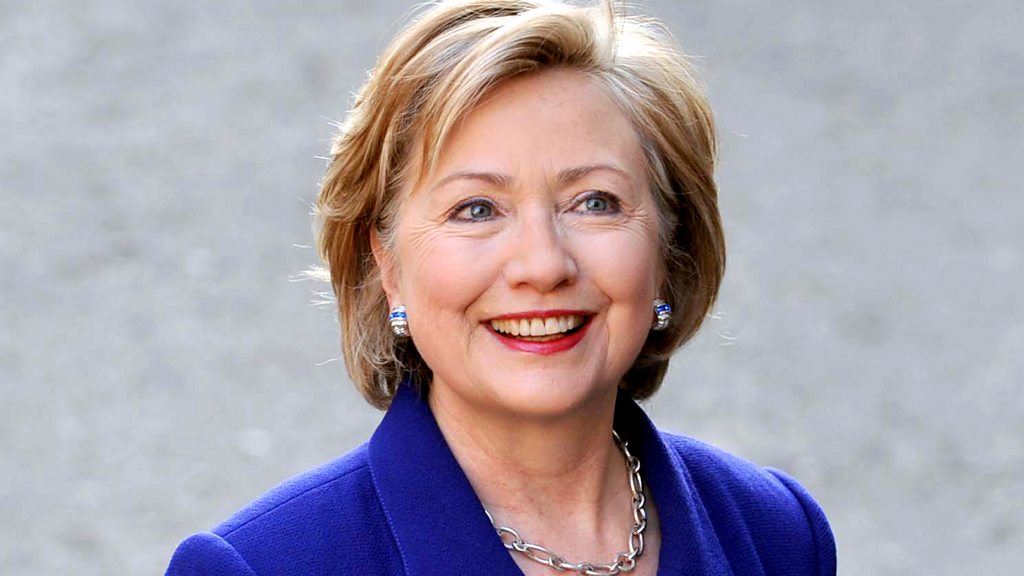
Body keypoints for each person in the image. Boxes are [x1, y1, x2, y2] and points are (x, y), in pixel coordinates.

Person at [165, 0, 837, 574]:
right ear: (388, 267)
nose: (542, 265)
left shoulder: (778, 535)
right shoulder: (261, 567)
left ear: (670, 247)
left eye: (594, 202)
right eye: (477, 209)